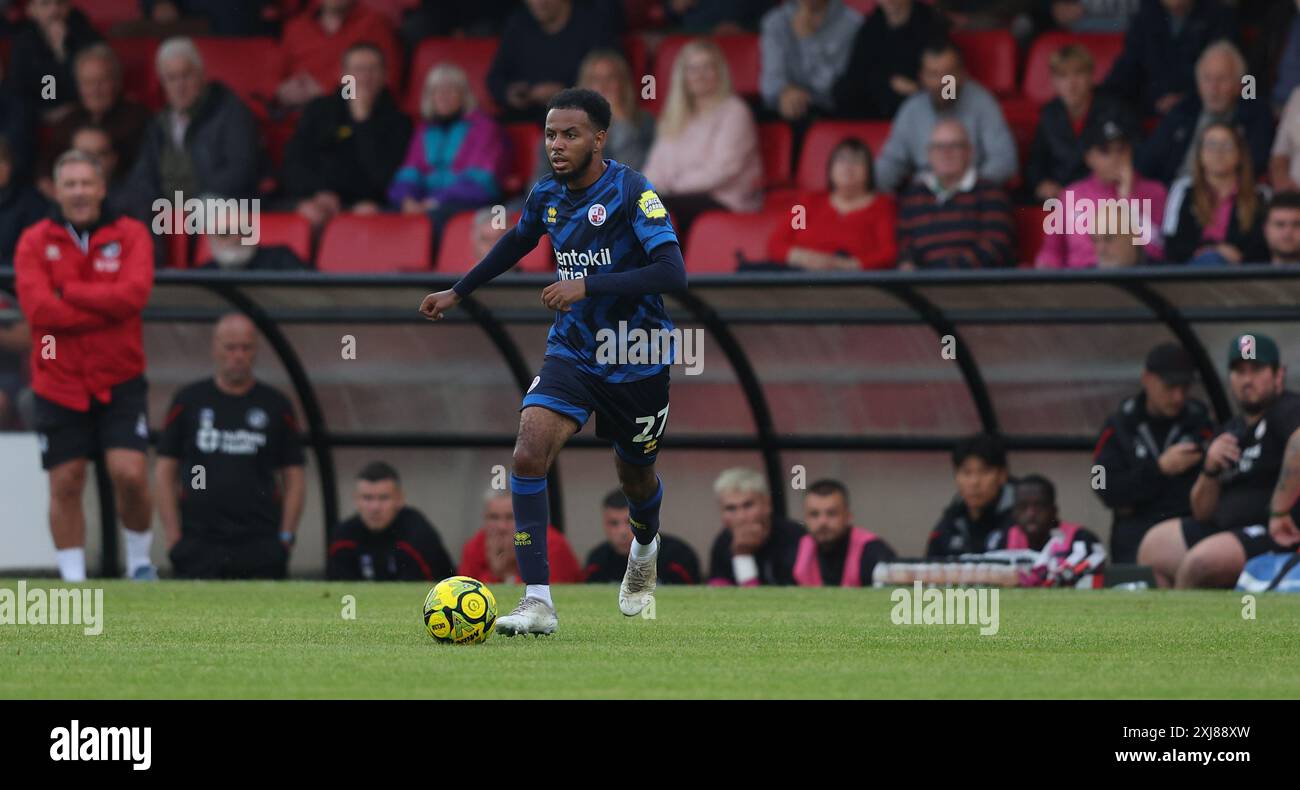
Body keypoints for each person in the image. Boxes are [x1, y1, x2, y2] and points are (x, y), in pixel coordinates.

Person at [420, 88, 688, 635]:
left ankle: (644, 544)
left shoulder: (632, 191)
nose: (557, 145)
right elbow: (516, 243)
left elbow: (671, 273)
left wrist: (586, 284)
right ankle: (538, 600)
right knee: (527, 452)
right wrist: (459, 291)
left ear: (599, 139)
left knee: (635, 477)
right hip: (572, 350)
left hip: (636, 353)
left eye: (570, 134)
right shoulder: (546, 195)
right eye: (549, 134)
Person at [14, 150, 156, 583]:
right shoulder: (34, 240)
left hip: (120, 377)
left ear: (102, 187)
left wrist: (69, 291)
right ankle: (74, 579)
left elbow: (133, 296)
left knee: (129, 473)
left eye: (86, 183)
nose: (78, 192)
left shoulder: (131, 234)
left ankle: (140, 565)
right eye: (70, 184)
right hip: (57, 382)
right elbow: (39, 312)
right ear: (56, 191)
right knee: (66, 480)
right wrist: (103, 304)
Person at [1139, 333, 1300, 588]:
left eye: (1256, 370)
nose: (1247, 380)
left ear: (1278, 374)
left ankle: (1183, 627)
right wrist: (1210, 469)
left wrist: (1279, 509)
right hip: (1226, 528)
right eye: (1239, 371)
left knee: (1200, 564)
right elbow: (1202, 512)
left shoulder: (1288, 409)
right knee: (1154, 547)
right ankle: (1163, 623)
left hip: (1273, 530)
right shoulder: (1230, 430)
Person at [156, 313, 306, 580]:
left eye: (246, 348)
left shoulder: (275, 404)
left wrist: (286, 537)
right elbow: (165, 471)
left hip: (260, 543)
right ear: (215, 348)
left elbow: (294, 476)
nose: (238, 355)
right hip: (198, 542)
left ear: (256, 351)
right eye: (231, 347)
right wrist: (173, 537)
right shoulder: (189, 400)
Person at [119, 38, 261, 232]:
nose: (179, 86)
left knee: (205, 207)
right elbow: (143, 174)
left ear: (201, 75)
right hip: (169, 206)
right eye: (171, 78)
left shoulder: (230, 112)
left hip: (218, 201)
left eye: (186, 75)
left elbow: (241, 170)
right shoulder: (159, 123)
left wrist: (189, 200)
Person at [1091, 342, 1216, 563]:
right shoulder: (1119, 426)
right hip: (1134, 535)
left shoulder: (1200, 424)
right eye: (1170, 387)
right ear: (1147, 379)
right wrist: (1159, 470)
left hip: (1185, 532)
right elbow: (1101, 485)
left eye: (1184, 388)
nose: (1178, 397)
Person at [282, 42, 411, 232]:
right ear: (343, 75)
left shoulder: (398, 121)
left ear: (385, 76)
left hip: (366, 203)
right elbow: (294, 161)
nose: (365, 77)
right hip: (316, 197)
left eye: (373, 69)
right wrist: (320, 193)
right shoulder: (319, 110)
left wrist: (362, 122)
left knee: (368, 215)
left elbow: (385, 178)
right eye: (358, 69)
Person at [642, 38, 764, 236]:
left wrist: (673, 187)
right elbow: (656, 167)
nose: (699, 75)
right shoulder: (675, 115)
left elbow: (723, 170)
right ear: (683, 76)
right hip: (680, 196)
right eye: (692, 69)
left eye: (707, 67)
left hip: (725, 199)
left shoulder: (735, 111)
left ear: (720, 72)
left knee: (657, 208)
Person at [874, 37, 1017, 193]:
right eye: (933, 74)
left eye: (948, 73)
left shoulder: (983, 103)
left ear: (963, 74)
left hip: (974, 195)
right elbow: (891, 163)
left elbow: (1004, 161)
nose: (943, 82)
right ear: (922, 78)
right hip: (925, 198)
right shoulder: (911, 109)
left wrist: (965, 188)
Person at [388, 62, 508, 238]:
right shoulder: (424, 130)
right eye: (437, 91)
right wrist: (407, 200)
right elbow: (410, 172)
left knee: (433, 219)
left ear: (464, 95)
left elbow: (482, 182)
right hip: (427, 203)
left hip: (468, 202)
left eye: (451, 90)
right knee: (387, 216)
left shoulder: (484, 128)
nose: (443, 96)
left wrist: (436, 201)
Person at [1035, 116, 1168, 269]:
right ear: (1089, 157)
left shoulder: (1155, 191)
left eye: (1121, 149)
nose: (1115, 158)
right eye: (1105, 151)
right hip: (1080, 281)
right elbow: (1052, 251)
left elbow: (1157, 252)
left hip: (1131, 278)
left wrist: (1127, 199)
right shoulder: (1071, 194)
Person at [1138, 41, 1273, 186]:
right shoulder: (1184, 109)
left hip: (1229, 196)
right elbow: (1147, 160)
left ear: (1239, 84)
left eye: (1222, 79)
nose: (1213, 88)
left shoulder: (1256, 114)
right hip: (1177, 193)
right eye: (1207, 79)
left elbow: (1255, 164)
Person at [1026, 44, 1140, 203]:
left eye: (1078, 74)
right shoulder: (1050, 114)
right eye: (1063, 76)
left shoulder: (1115, 109)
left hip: (1105, 191)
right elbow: (1036, 162)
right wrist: (1042, 183)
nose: (1071, 84)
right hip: (1061, 193)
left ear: (1091, 76)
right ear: (1053, 81)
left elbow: (1134, 153)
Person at [897, 119, 1015, 269]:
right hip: (923, 285)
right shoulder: (913, 196)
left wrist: (944, 272)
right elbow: (905, 246)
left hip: (976, 285)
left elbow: (995, 247)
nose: (946, 153)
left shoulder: (991, 194)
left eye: (955, 146)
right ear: (929, 154)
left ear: (969, 152)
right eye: (939, 147)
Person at [765, 137, 898, 270]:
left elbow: (888, 253)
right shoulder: (808, 202)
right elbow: (777, 243)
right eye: (841, 160)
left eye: (857, 161)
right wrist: (806, 258)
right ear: (830, 168)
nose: (848, 167)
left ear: (869, 171)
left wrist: (847, 265)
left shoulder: (882, 206)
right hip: (800, 274)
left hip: (851, 281)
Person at [39, 44, 151, 197]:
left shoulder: (138, 118)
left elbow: (144, 175)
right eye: (88, 83)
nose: (95, 90)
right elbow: (45, 169)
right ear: (78, 86)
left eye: (102, 81)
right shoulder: (67, 121)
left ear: (117, 82)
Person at [530, 49, 656, 183]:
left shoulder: (645, 122)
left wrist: (620, 121)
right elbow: (539, 182)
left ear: (623, 84)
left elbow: (632, 179)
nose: (603, 86)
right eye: (595, 80)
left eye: (611, 78)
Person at [487, 0, 622, 123]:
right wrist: (509, 93)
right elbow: (494, 79)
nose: (538, 2)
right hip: (526, 117)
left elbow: (612, 77)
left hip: (579, 117)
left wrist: (566, 93)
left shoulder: (594, 23)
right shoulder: (518, 24)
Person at [1101, 0, 1237, 117]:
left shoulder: (1220, 17)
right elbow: (1124, 74)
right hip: (1151, 112)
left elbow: (1229, 78)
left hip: (1204, 113)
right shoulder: (1144, 18)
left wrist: (1187, 100)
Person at [1161, 121, 1268, 265]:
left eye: (1227, 145)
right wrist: (1212, 250)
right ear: (1200, 154)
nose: (1218, 151)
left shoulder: (1260, 195)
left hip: (1241, 276)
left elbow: (1264, 248)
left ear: (1240, 154)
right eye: (1211, 145)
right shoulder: (1183, 189)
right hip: (1190, 274)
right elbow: (1171, 244)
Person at [327, 462, 456, 581]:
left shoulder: (417, 535)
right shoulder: (344, 538)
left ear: (400, 499)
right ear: (356, 500)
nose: (375, 507)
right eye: (367, 498)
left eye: (384, 498)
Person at [832, 0, 947, 121]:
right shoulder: (871, 25)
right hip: (876, 104)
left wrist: (920, 90)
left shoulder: (931, 24)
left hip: (919, 104)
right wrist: (886, 83)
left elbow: (949, 81)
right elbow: (856, 74)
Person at [277, 0, 402, 111]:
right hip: (295, 119)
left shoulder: (375, 25)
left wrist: (327, 93)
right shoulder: (295, 27)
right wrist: (282, 91)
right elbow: (276, 78)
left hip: (351, 120)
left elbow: (387, 86)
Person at [988, 475, 1107, 587]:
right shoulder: (1002, 539)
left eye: (1039, 506)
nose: (1031, 513)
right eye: (1023, 506)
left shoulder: (1080, 539)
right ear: (1014, 512)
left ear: (1054, 510)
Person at [758, 0, 862, 124]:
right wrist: (784, 91)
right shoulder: (776, 21)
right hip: (782, 108)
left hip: (829, 112)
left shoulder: (852, 23)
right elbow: (770, 81)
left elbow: (835, 88)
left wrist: (808, 41)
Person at [456, 492, 584, 584]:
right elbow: (464, 594)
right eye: (494, 517)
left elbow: (548, 598)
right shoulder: (475, 545)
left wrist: (509, 574)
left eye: (511, 517)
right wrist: (495, 574)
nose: (502, 527)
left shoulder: (549, 543)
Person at [707, 467, 806, 586]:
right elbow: (717, 596)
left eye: (748, 505)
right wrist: (742, 556)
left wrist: (742, 556)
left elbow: (796, 597)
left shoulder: (796, 538)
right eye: (731, 508)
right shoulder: (723, 542)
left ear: (767, 504)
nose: (741, 517)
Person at [7, 0, 103, 120]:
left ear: (69, 7)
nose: (54, 10)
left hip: (82, 112)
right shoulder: (23, 42)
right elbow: (18, 90)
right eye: (45, 4)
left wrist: (61, 52)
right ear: (31, 11)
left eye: (60, 3)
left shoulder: (88, 37)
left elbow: (95, 87)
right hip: (37, 115)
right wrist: (45, 112)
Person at [926, 432, 1016, 557]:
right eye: (966, 472)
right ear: (956, 476)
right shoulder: (951, 521)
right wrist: (917, 578)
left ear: (1002, 475)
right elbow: (923, 570)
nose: (974, 482)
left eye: (984, 472)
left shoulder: (1019, 519)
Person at [582, 489, 700, 584]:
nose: (622, 532)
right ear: (604, 524)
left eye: (631, 522)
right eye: (613, 523)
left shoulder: (677, 558)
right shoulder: (597, 563)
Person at [793, 479, 895, 587]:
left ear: (848, 516)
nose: (822, 521)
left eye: (831, 513)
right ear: (805, 518)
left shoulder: (872, 551)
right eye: (814, 514)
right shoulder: (795, 550)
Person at [0, 137, 51, 268]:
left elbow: (34, 253)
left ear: (10, 165)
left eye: (2, 160)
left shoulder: (32, 203)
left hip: (12, 279)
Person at [1263, 190, 1300, 265]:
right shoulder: (1247, 275)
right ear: (1265, 230)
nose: (1288, 232)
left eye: (1296, 224)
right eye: (1280, 224)